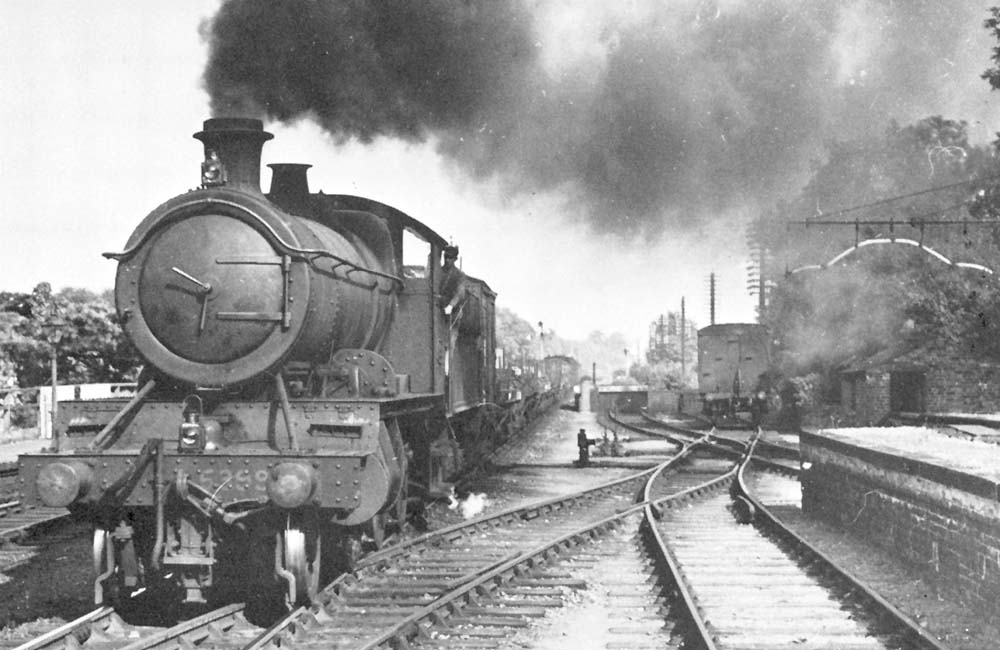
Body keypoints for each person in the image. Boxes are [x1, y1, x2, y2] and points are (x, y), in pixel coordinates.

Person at [439, 245, 466, 317]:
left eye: (450, 257)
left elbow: (460, 293)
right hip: (438, 307)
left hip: (452, 312)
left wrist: (451, 305)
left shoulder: (459, 274)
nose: (447, 260)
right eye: (446, 257)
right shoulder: (438, 271)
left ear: (455, 259)